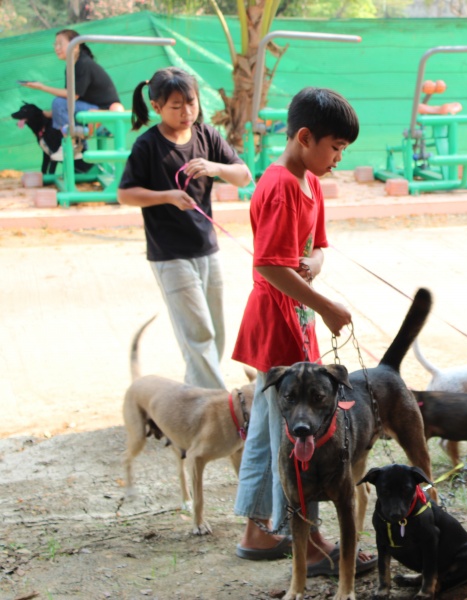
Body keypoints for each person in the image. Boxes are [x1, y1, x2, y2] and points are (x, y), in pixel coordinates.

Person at [230, 87, 375, 575]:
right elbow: (269, 265)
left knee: (268, 429)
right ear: (305, 137)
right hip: (278, 321)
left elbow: (317, 248)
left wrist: (314, 264)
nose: (338, 158)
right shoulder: (281, 185)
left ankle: (260, 529)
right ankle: (306, 538)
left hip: (298, 318)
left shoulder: (310, 181)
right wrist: (327, 307)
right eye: (335, 147)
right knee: (296, 434)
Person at [117, 67, 252, 390]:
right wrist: (167, 196)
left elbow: (243, 175)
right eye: (176, 106)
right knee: (198, 333)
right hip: (170, 255)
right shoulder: (147, 145)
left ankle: (197, 397)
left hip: (207, 248)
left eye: (190, 103)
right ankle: (216, 404)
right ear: (156, 107)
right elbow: (125, 194)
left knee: (215, 331)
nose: (186, 112)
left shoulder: (207, 136)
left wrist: (215, 167)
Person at [21, 28, 124, 155]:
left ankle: (74, 143)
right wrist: (45, 113)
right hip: (90, 110)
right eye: (55, 44)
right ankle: (76, 143)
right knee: (59, 104)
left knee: (58, 103)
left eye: (60, 44)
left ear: (75, 46)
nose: (57, 48)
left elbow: (72, 96)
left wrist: (42, 87)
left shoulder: (84, 64)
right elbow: (69, 99)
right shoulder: (72, 65)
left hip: (104, 114)